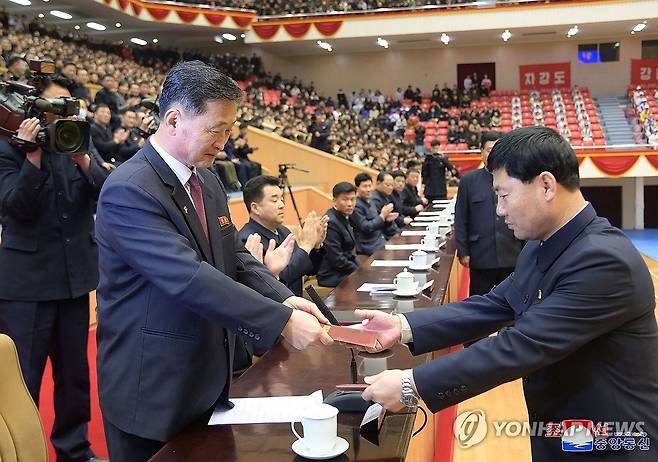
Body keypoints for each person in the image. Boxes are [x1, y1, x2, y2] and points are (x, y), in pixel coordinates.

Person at [354, 127, 658, 462]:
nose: (499, 210)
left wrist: (411, 384)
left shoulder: (603, 260)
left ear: (546, 186)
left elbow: (521, 344)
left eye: (503, 195)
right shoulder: (541, 244)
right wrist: (402, 326)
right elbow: (494, 304)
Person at [95, 61, 333, 462]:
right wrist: (281, 322)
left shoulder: (206, 179)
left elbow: (233, 254)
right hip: (154, 386)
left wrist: (283, 298)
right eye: (215, 130)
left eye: (228, 130)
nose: (223, 142)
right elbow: (188, 276)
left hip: (208, 379)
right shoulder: (129, 190)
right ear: (174, 120)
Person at [0, 78, 109, 462]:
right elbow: (14, 208)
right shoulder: (6, 148)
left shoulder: (76, 139)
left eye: (63, 107)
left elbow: (108, 191)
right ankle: (20, 454)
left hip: (74, 281)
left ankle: (75, 450)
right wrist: (32, 158)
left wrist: (83, 159)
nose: (58, 115)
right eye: (50, 107)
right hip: (26, 287)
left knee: (75, 376)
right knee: (22, 379)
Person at [454, 131, 524, 297]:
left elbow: (525, 214)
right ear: (481, 151)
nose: (493, 154)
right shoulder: (468, 181)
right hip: (481, 254)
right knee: (479, 302)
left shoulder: (516, 178)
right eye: (489, 150)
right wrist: (463, 251)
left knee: (512, 301)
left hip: (511, 252)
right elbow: (461, 218)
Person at [238, 175, 327, 297]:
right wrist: (306, 245)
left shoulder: (283, 231)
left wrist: (315, 246)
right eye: (274, 200)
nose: (281, 205)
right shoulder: (249, 240)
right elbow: (279, 280)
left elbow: (307, 269)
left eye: (281, 199)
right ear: (255, 208)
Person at [317, 182, 359, 287]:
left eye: (353, 199)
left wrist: (361, 268)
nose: (350, 203)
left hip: (343, 270)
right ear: (334, 200)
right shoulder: (331, 221)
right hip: (332, 274)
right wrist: (359, 270)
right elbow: (337, 259)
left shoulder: (344, 216)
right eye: (345, 199)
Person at [351, 172, 398, 256]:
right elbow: (366, 227)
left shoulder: (371, 201)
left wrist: (387, 220)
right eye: (365, 186)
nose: (368, 189)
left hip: (379, 239)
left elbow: (378, 223)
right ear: (357, 188)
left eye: (370, 186)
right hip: (368, 244)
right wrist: (382, 216)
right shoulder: (356, 205)